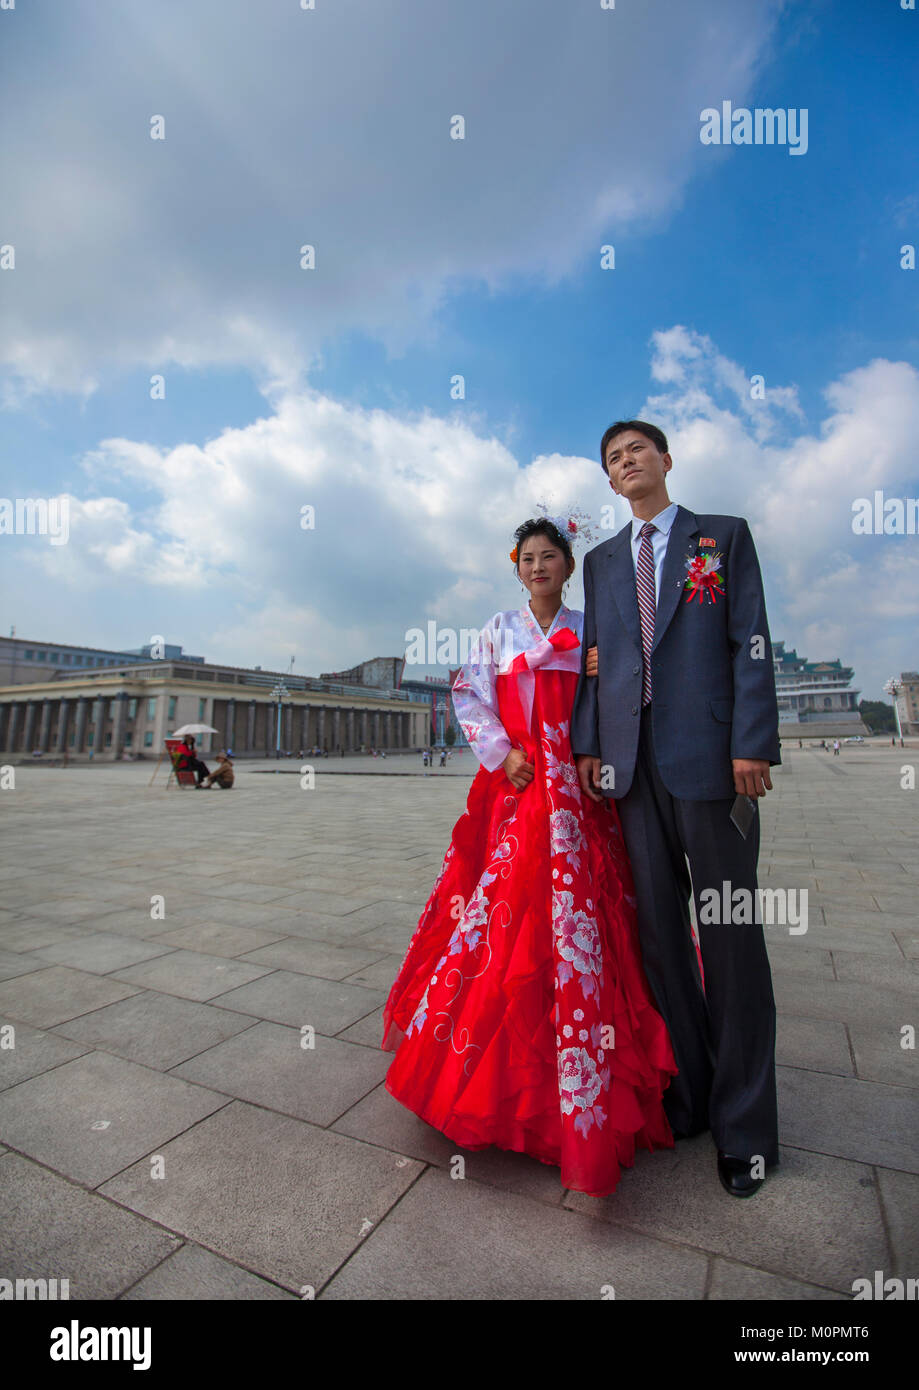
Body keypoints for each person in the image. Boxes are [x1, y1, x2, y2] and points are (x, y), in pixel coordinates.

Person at [383, 517, 676, 1198]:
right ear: (516, 568)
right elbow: (467, 694)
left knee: (587, 914)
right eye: (528, 558)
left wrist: (594, 749)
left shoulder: (591, 626)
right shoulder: (496, 628)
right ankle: (491, 1076)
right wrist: (502, 752)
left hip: (580, 782)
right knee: (504, 908)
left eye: (549, 557)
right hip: (520, 780)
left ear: (568, 566)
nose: (538, 567)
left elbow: (614, 697)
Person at [572, 420, 780, 1198]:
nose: (626, 464)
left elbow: (748, 640)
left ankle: (746, 1131)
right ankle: (690, 1100)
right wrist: (589, 744)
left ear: (665, 460)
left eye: (636, 452)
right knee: (660, 939)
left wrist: (751, 744)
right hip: (628, 771)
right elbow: (597, 659)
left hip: (711, 762)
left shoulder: (718, 538)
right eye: (612, 459)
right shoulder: (599, 562)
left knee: (729, 942)